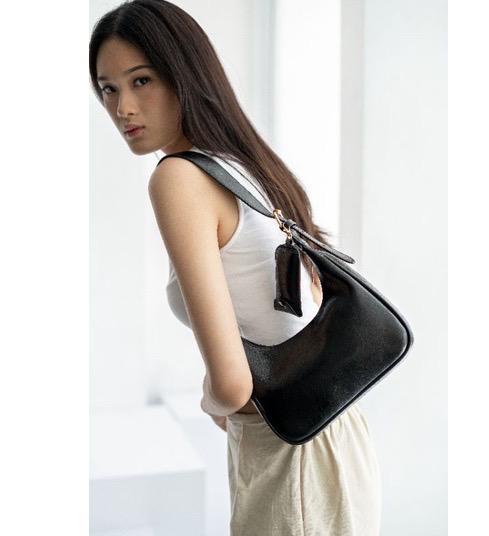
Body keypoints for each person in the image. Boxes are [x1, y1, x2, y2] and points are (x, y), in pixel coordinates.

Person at [89, 1, 381, 534]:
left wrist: (212, 399)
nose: (123, 107)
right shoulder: (241, 163)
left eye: (141, 80)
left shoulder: (177, 178)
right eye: (108, 88)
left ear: (183, 74)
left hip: (291, 455)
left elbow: (231, 386)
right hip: (331, 434)